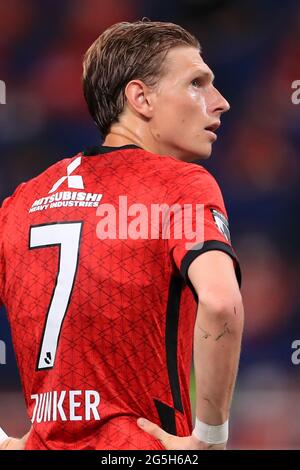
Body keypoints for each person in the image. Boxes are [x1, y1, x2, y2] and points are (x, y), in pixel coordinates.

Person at [0, 20, 244, 450]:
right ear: (141, 98)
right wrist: (209, 438)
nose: (220, 102)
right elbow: (222, 304)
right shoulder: (181, 184)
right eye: (197, 83)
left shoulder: (20, 202)